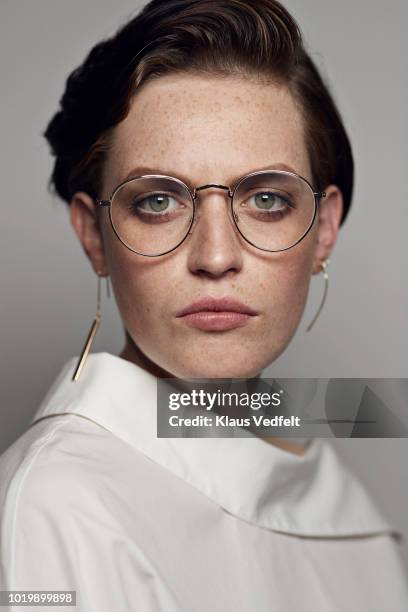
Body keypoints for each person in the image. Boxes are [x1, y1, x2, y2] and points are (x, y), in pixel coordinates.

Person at [0, 1, 407, 610]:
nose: (215, 255)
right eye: (158, 202)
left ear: (323, 229)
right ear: (94, 235)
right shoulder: (57, 503)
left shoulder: (345, 507)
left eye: (266, 198)